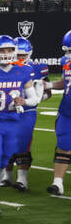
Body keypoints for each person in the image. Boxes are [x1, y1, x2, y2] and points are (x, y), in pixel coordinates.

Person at [0, 35, 42, 216]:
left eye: (9, 49)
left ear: (14, 51)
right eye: (2, 50)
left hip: (14, 123)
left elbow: (34, 98)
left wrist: (24, 101)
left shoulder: (24, 71)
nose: (6, 53)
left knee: (4, 162)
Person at [4, 36, 46, 192]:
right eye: (18, 55)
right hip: (7, 109)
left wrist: (39, 96)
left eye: (23, 55)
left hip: (28, 110)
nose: (20, 58)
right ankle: (7, 176)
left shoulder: (36, 68)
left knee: (23, 143)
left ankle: (22, 179)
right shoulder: (5, 66)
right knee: (5, 142)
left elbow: (44, 91)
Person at [46, 29, 71, 194]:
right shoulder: (66, 61)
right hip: (67, 109)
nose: (68, 55)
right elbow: (66, 81)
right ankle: (57, 183)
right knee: (63, 143)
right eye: (67, 51)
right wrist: (49, 85)